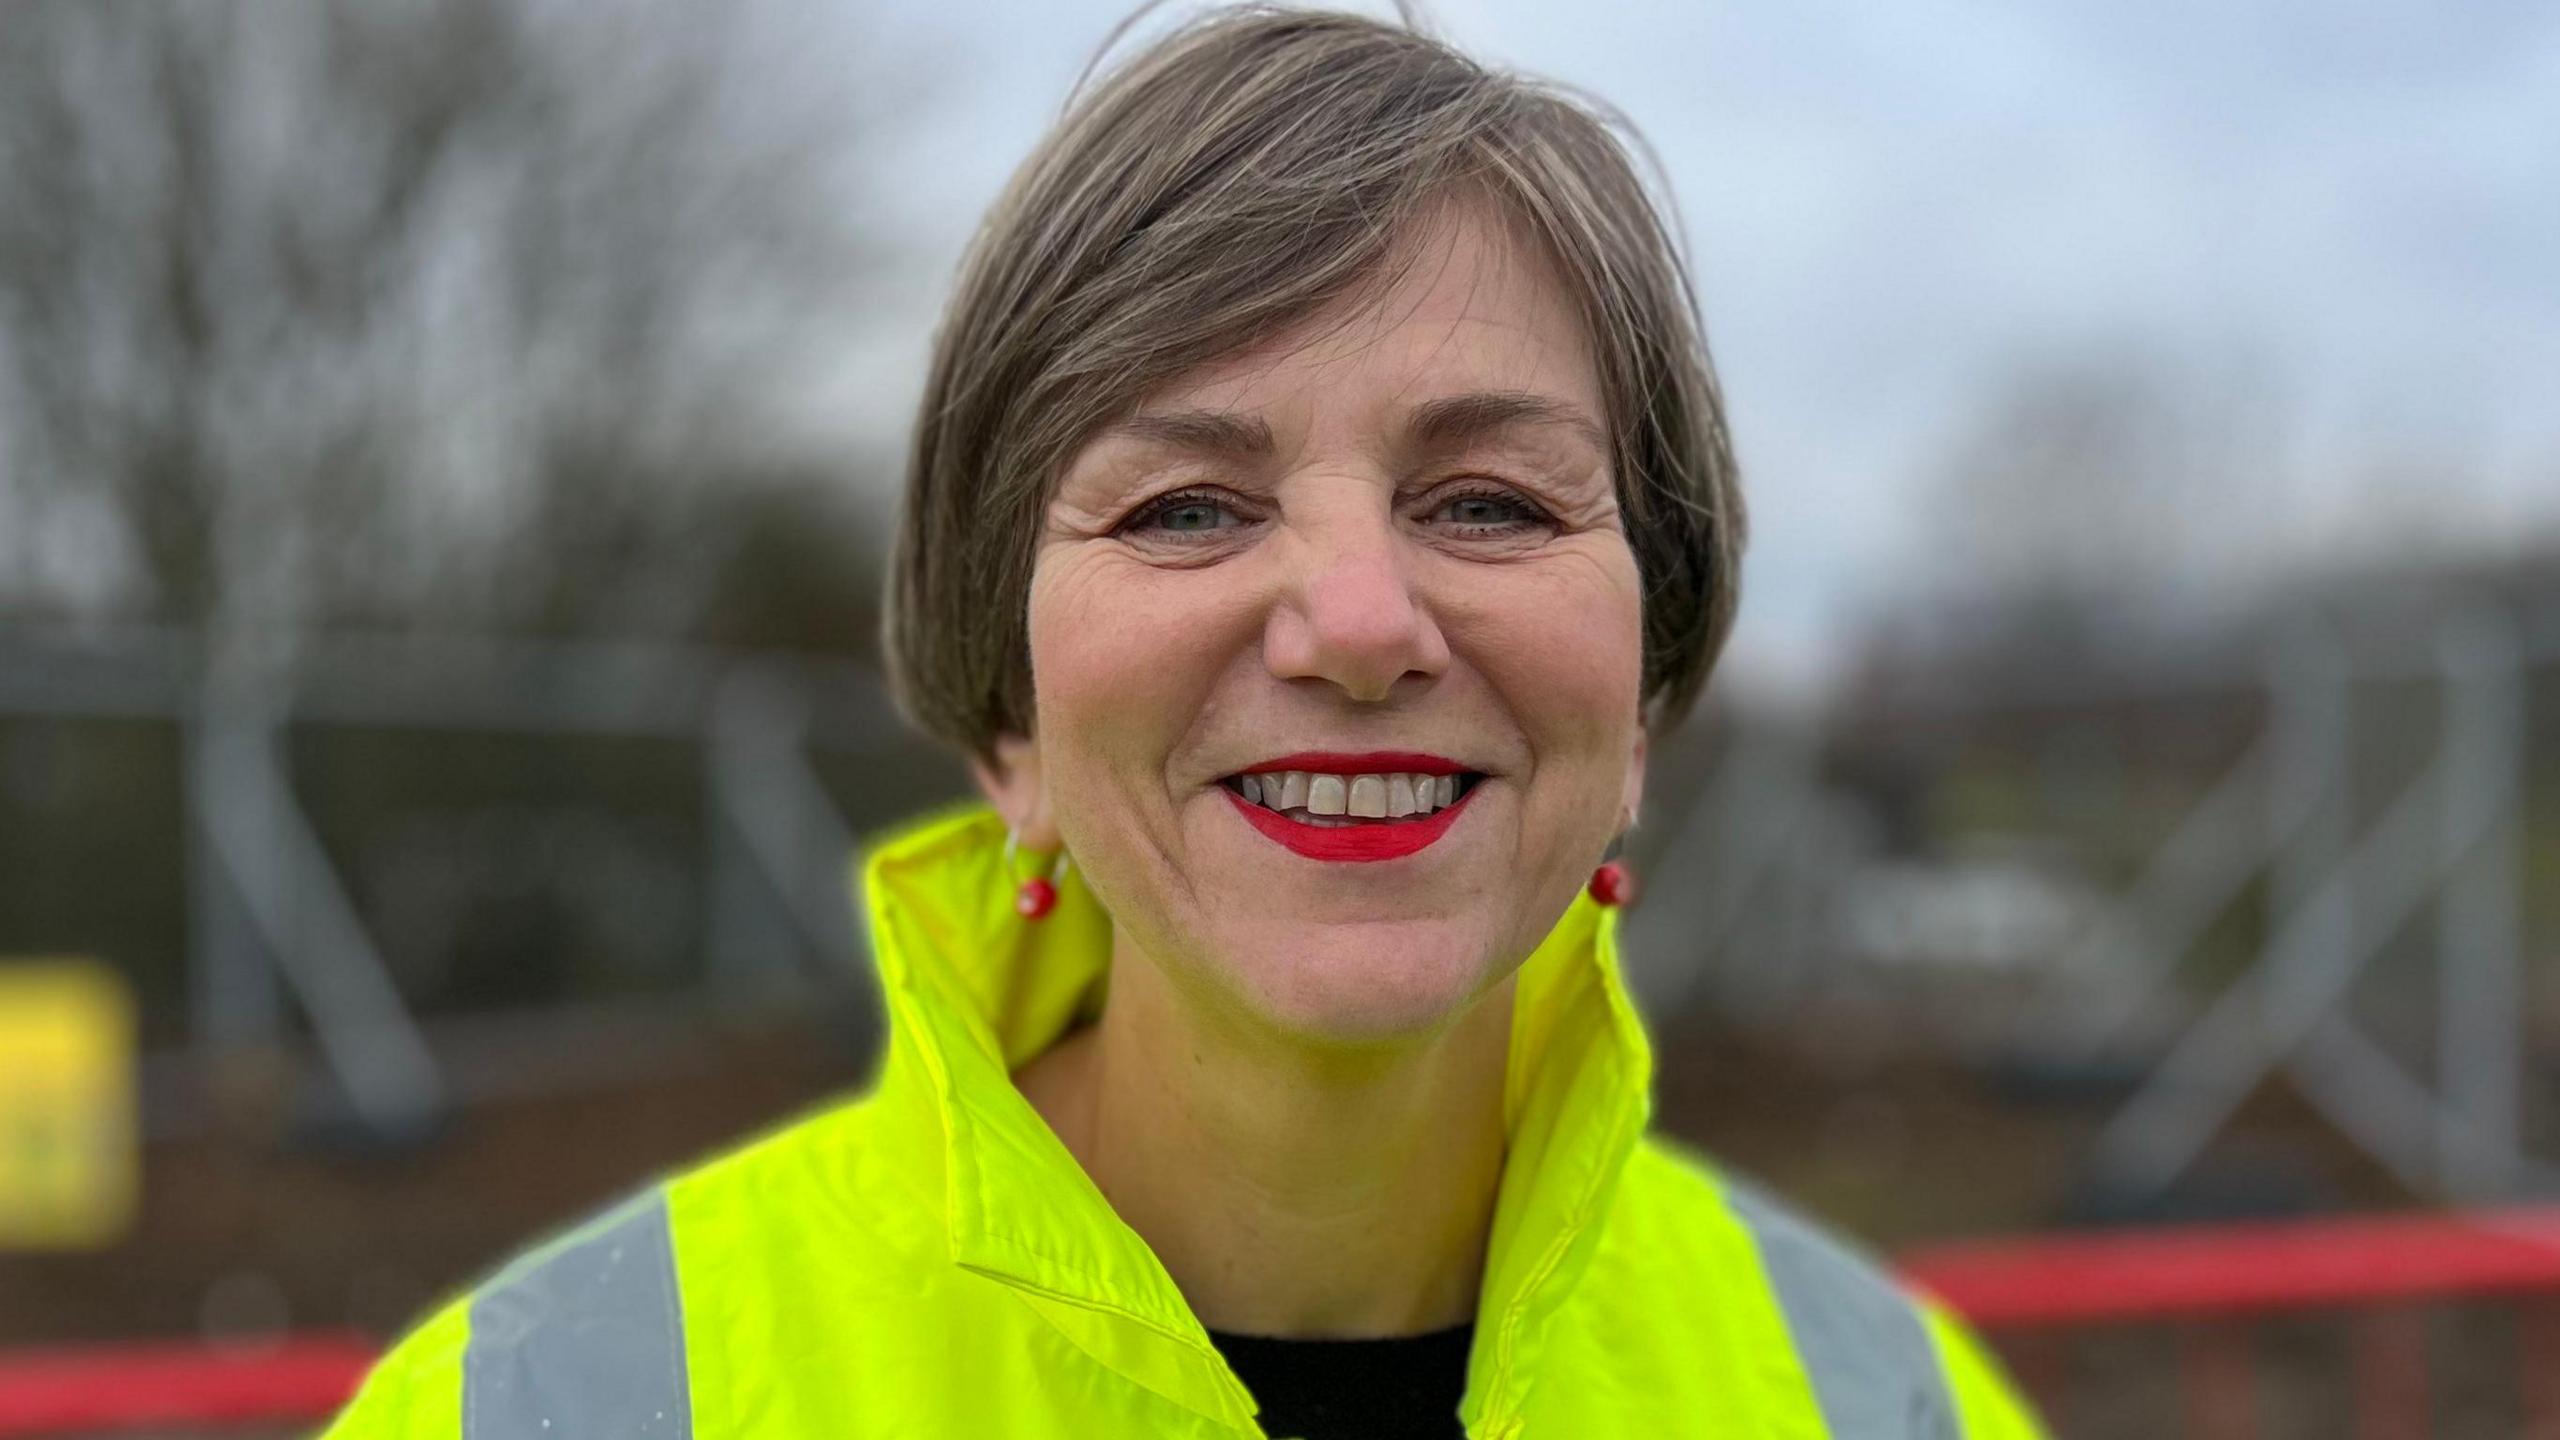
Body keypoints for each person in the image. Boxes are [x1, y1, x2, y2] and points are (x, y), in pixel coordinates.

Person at [325, 7, 2042, 1437]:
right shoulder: (537, 1409)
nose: (1361, 624)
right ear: (1010, 727)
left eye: (1494, 504)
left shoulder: (1891, 1403)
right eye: (1186, 510)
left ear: (1646, 698)